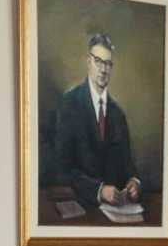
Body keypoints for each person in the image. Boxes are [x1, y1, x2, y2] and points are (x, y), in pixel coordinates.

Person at [53, 32, 141, 210]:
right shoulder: (69, 104)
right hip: (80, 207)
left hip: (116, 210)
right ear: (88, 62)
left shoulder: (118, 114)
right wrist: (98, 191)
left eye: (108, 63)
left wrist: (133, 181)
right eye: (98, 61)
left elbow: (127, 165)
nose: (103, 69)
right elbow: (61, 169)